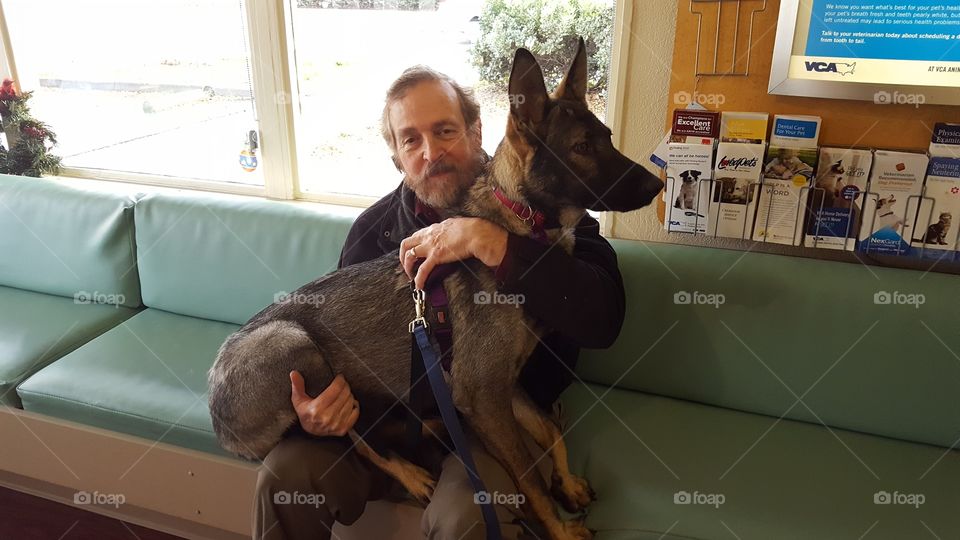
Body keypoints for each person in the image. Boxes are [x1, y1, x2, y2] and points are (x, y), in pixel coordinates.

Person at [253, 65, 626, 540]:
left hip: (497, 421)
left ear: (476, 131)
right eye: (410, 140)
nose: (431, 152)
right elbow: (336, 344)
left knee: (465, 518)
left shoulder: (551, 213)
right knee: (285, 476)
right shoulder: (374, 232)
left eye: (445, 131)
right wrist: (310, 414)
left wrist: (499, 245)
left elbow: (602, 320)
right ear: (396, 157)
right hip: (389, 425)